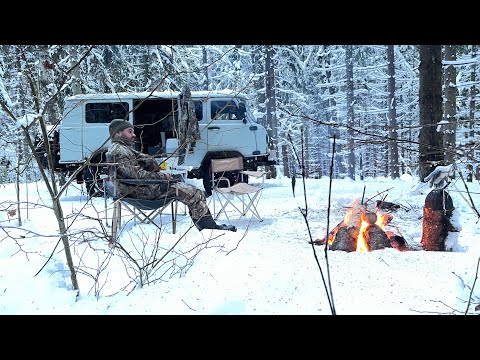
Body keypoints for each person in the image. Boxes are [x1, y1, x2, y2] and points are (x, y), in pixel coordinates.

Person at [106, 119, 236, 232]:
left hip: (138, 189)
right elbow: (137, 176)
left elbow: (136, 171)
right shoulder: (119, 150)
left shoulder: (121, 148)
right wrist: (163, 178)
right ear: (117, 133)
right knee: (194, 193)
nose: (134, 135)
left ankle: (208, 226)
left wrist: (151, 164)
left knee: (188, 188)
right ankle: (209, 229)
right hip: (142, 192)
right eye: (129, 131)